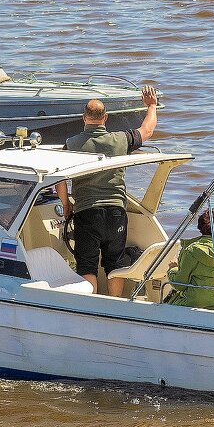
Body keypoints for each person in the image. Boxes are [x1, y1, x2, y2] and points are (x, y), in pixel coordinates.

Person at [57, 85, 159, 296]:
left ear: (84, 118)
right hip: (115, 213)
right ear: (106, 118)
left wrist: (66, 205)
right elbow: (147, 131)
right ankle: (115, 304)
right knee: (115, 264)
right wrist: (151, 106)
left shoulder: (71, 144)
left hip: (87, 212)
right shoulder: (120, 140)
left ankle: (90, 307)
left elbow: (59, 179)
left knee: (87, 265)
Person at [167, 208, 214, 311]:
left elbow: (180, 285)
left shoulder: (191, 250)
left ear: (199, 227)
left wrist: (173, 268)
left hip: (196, 304)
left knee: (168, 302)